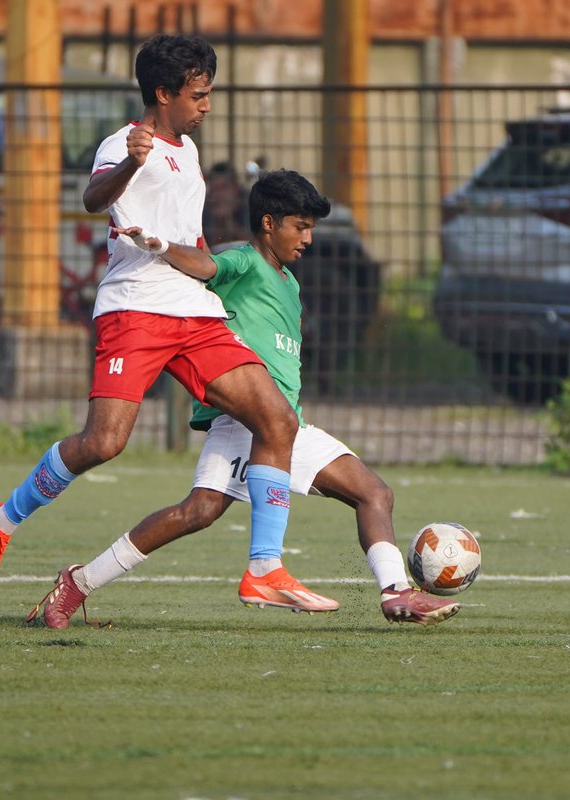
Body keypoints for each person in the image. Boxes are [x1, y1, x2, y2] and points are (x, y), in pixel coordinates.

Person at [0, 34, 326, 614]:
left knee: (276, 418)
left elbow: (195, 242)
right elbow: (92, 198)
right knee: (104, 442)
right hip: (135, 309)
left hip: (196, 314)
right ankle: (1, 519)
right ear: (164, 92)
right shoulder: (125, 144)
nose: (207, 104)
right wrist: (132, 163)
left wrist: (213, 275)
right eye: (198, 94)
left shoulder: (189, 151)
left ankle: (265, 567)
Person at [28, 170, 461, 628]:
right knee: (207, 511)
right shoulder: (244, 259)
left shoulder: (289, 282)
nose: (308, 239)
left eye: (312, 228)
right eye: (300, 226)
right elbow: (206, 265)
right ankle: (308, 577)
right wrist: (158, 246)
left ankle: (396, 595)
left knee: (364, 494)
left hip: (283, 424)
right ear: (269, 223)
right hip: (247, 419)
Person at [202, 160, 250, 249]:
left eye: (224, 187)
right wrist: (219, 222)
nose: (218, 194)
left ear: (236, 188)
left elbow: (256, 246)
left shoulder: (249, 205)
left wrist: (228, 220)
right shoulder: (205, 209)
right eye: (214, 189)